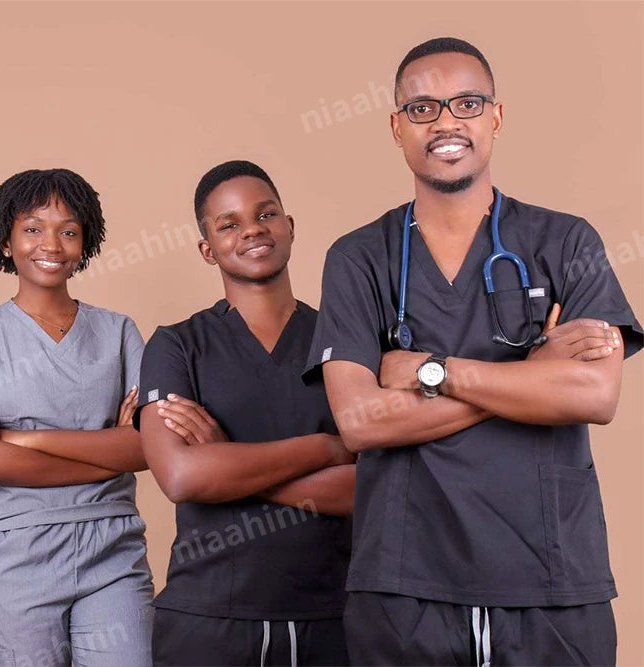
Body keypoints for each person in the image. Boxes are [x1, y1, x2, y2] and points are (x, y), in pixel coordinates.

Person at [303, 37, 643, 666]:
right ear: (397, 128)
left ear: (496, 116)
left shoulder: (567, 242)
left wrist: (435, 374)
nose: (446, 123)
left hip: (551, 582)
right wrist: (534, 372)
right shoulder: (358, 258)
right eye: (424, 108)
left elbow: (595, 393)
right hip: (407, 586)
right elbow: (359, 422)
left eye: (466, 103)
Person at [135, 160, 356, 667]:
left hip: (332, 621)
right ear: (207, 248)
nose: (252, 229)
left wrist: (227, 464)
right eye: (229, 224)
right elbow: (182, 476)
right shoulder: (176, 346)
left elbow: (369, 488)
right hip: (209, 622)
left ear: (290, 226)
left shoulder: (343, 343)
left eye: (266, 214)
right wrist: (326, 448)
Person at [0, 168, 154, 667]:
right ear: (7, 240)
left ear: (85, 242)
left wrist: (26, 440)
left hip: (113, 549)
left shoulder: (119, 332)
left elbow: (149, 448)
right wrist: (108, 451)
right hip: (14, 558)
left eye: (68, 230)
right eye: (33, 228)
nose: (50, 243)